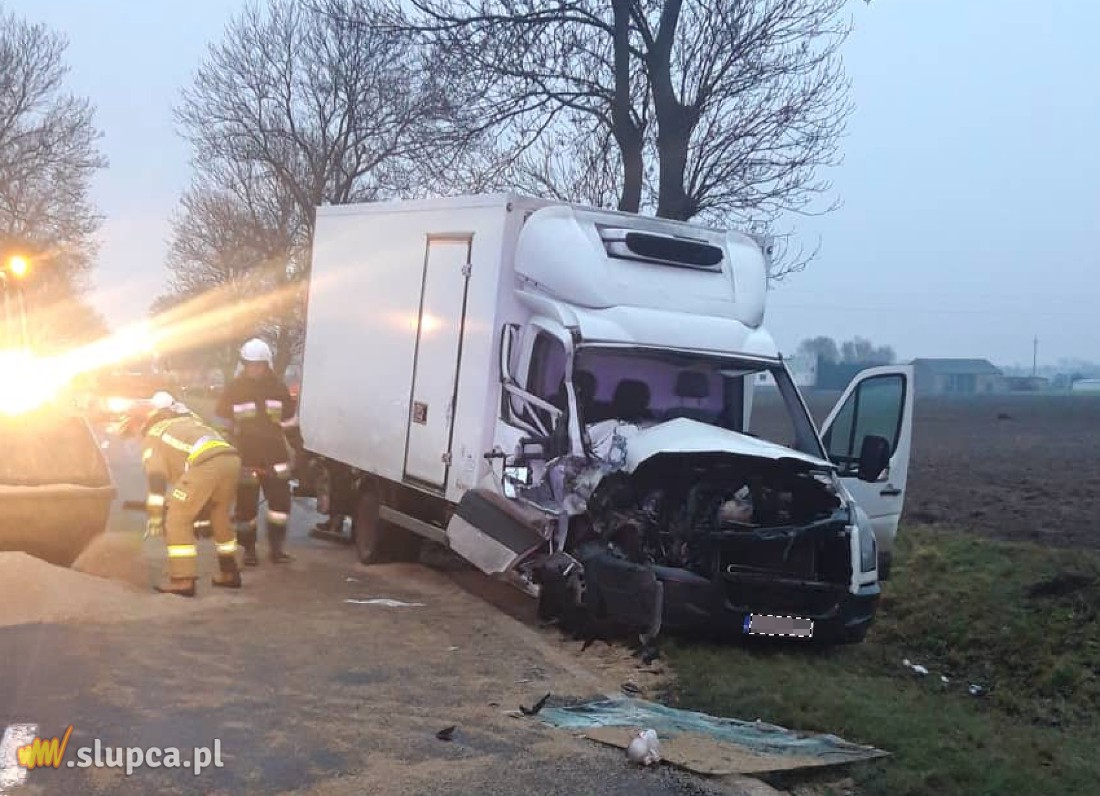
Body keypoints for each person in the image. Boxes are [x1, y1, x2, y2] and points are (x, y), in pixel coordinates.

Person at [117, 391, 243, 596]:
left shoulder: (154, 435)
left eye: (132, 430)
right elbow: (186, 481)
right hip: (230, 460)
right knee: (219, 515)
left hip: (206, 464)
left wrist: (156, 518)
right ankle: (229, 572)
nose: (135, 437)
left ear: (140, 423)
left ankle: (182, 580)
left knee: (177, 519)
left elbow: (157, 480)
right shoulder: (187, 423)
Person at [215, 338, 297, 566]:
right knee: (246, 509)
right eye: (250, 364)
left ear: (266, 364)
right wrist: (224, 451)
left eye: (259, 364)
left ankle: (277, 550)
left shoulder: (278, 388)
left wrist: (299, 451)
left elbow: (290, 423)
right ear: (244, 364)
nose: (255, 369)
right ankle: (249, 550)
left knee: (280, 507)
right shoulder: (234, 389)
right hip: (245, 457)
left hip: (275, 457)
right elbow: (221, 424)